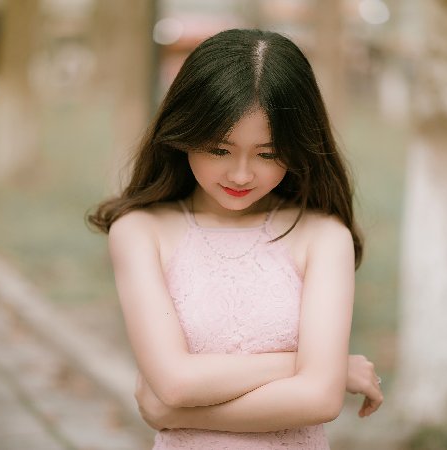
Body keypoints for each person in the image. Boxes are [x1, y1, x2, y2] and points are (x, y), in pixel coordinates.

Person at [88, 29, 383, 449]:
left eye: (267, 153)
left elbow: (319, 398)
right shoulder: (140, 231)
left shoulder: (321, 237)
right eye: (219, 150)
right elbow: (174, 383)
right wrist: (323, 367)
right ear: (184, 132)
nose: (242, 175)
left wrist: (172, 411)